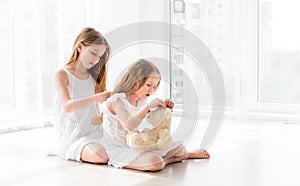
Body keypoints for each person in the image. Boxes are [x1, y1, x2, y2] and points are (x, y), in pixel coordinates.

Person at [101, 59, 209, 171]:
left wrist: (161, 110)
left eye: (154, 86)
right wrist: (148, 107)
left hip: (139, 146)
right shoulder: (117, 100)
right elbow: (129, 126)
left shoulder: (141, 102)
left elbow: (149, 125)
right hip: (121, 149)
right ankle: (168, 160)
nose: (151, 90)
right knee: (155, 162)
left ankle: (179, 155)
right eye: (149, 85)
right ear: (136, 80)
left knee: (180, 147)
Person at [53, 27, 111, 163]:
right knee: (101, 156)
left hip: (97, 133)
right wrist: (98, 97)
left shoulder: (93, 78)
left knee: (131, 145)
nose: (96, 60)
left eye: (99, 57)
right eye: (93, 53)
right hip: (74, 139)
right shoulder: (62, 74)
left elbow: (102, 108)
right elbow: (67, 106)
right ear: (80, 47)